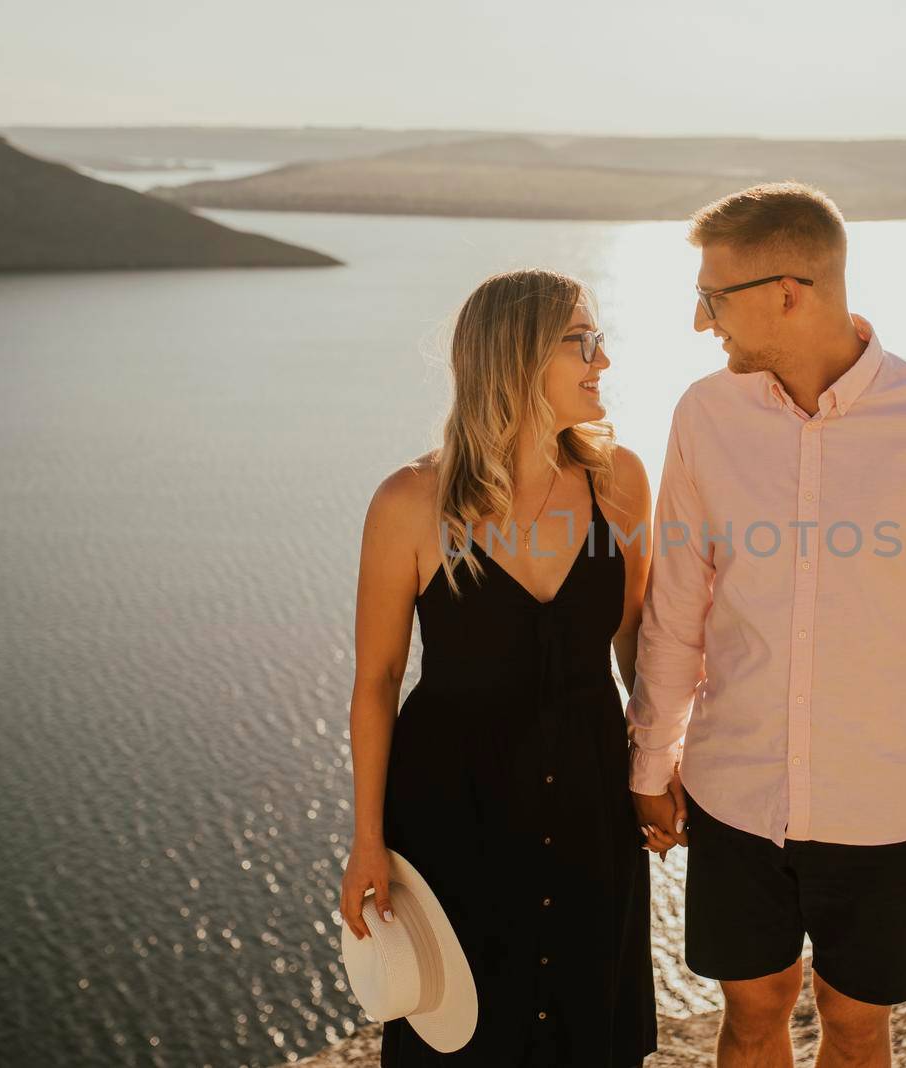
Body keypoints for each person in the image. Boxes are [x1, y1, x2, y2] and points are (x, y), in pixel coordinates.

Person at [628, 183, 906, 1068]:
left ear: (788, 290)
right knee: (750, 1015)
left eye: (712, 297)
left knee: (856, 1026)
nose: (702, 323)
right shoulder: (705, 414)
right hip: (733, 796)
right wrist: (652, 760)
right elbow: (678, 606)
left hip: (882, 806)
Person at [340, 268, 659, 1066]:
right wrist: (368, 841)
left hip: (591, 806)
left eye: (600, 340)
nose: (602, 361)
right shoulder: (410, 503)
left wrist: (659, 762)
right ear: (515, 357)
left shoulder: (619, 483)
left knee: (590, 1021)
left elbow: (636, 645)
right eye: (580, 342)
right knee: (461, 1033)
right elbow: (377, 681)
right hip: (453, 813)